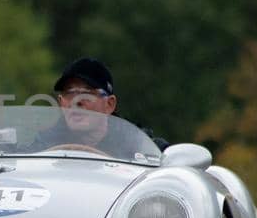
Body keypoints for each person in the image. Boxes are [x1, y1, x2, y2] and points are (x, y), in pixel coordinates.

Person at [35, 56, 164, 157]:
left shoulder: (137, 144)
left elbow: (173, 158)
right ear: (61, 103)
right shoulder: (43, 146)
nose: (76, 101)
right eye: (70, 93)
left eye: (87, 93)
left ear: (109, 104)